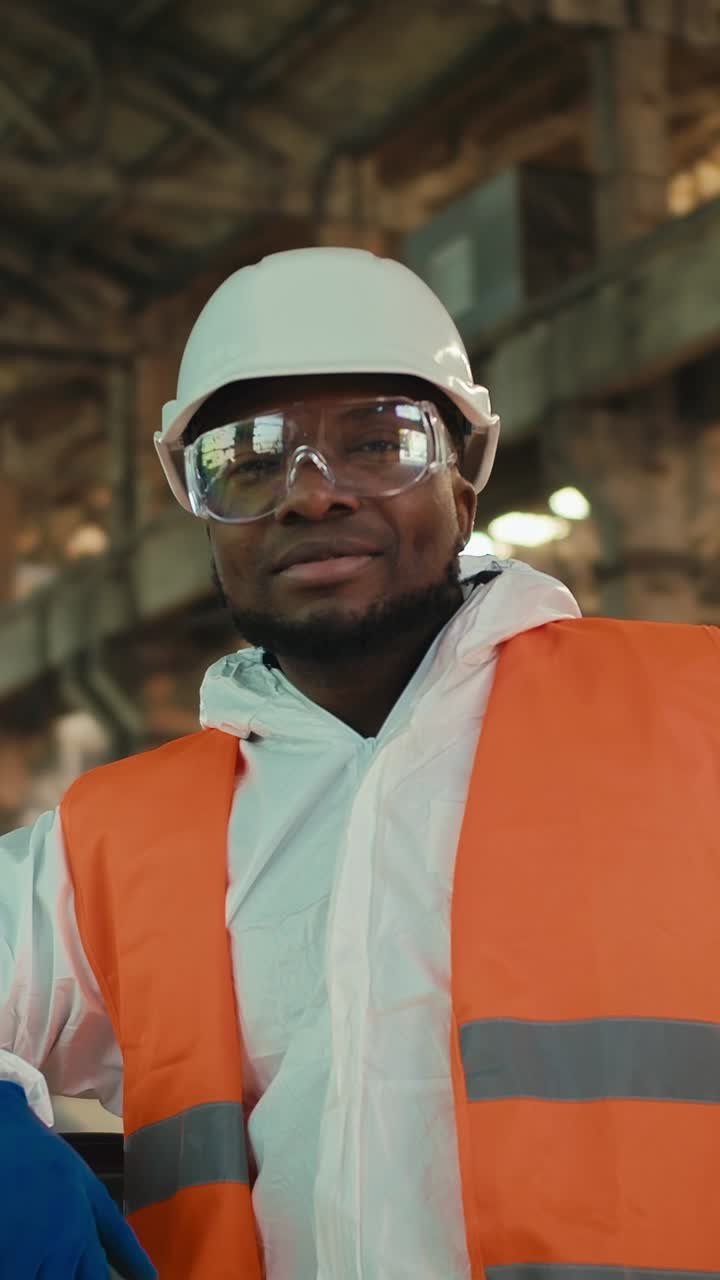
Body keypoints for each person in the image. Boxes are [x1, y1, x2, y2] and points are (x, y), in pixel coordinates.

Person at [1, 247, 718, 1280]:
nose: (311, 494)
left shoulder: (698, 717)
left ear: (466, 480)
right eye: (248, 459)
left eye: (380, 441)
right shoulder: (112, 840)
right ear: (199, 507)